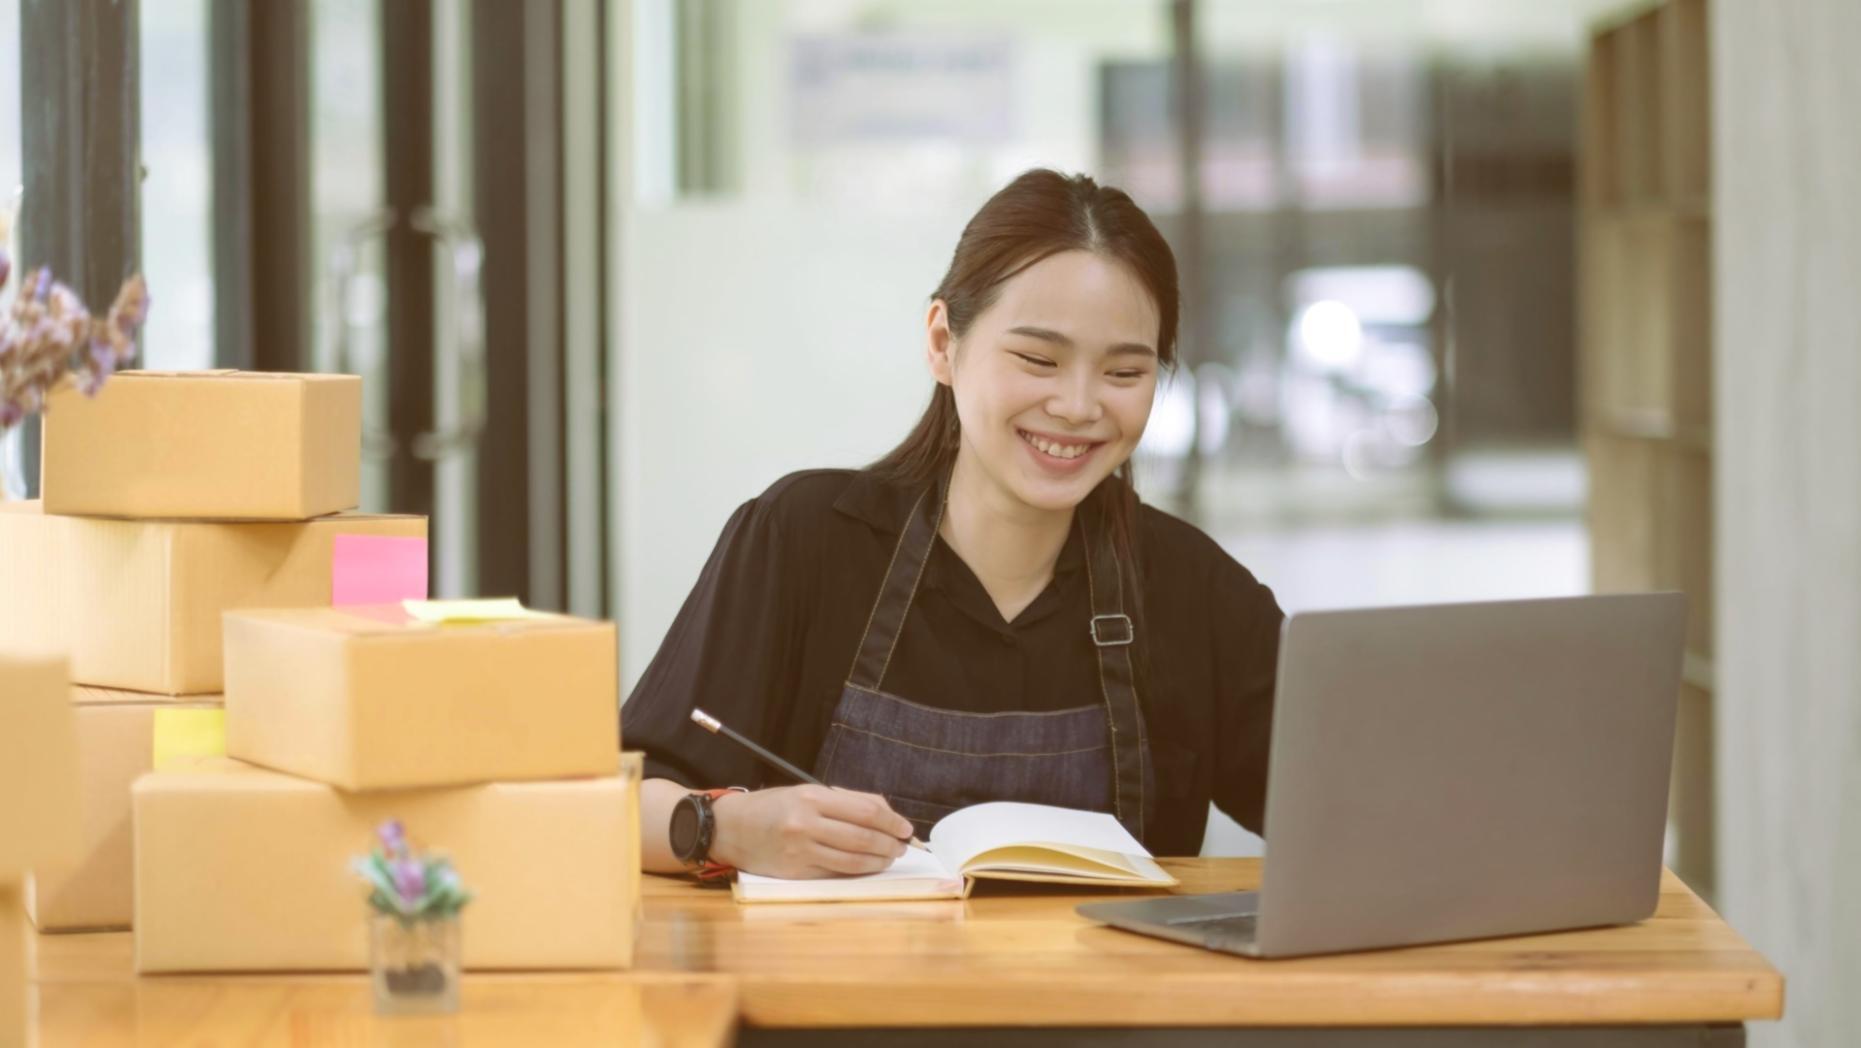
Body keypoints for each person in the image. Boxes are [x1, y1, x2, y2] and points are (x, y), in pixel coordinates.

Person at [628, 169, 1283, 880]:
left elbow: (1342, 808)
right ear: (943, 342)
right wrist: (723, 827)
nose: (1077, 406)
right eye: (1038, 359)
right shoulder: (803, 538)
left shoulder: (1193, 589)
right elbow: (608, 809)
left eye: (1124, 373)